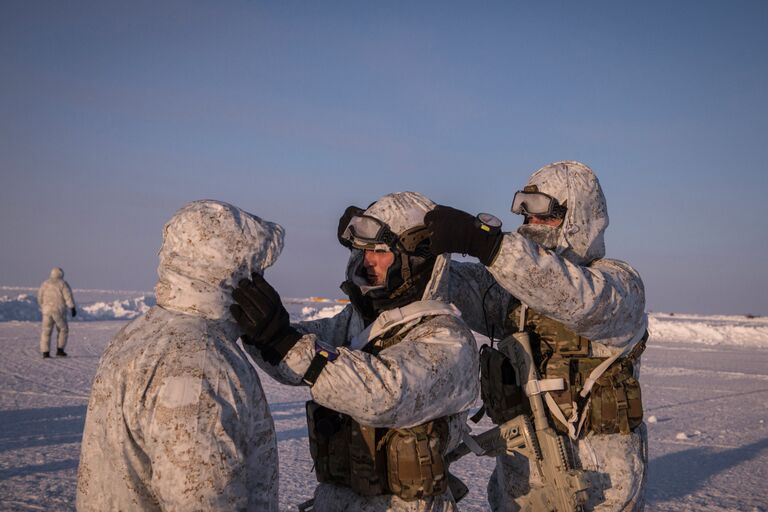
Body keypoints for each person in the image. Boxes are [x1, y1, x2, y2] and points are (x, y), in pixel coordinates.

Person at [230, 191, 479, 511]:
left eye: (379, 251)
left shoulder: (448, 339)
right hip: (338, 500)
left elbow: (384, 394)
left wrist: (287, 343)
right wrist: (261, 331)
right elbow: (299, 359)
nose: (367, 262)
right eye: (362, 251)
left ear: (416, 260)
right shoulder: (362, 322)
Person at [424, 161, 648, 511]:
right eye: (526, 216)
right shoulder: (514, 292)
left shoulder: (618, 284)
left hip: (597, 482)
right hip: (522, 478)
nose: (531, 225)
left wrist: (489, 246)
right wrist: (409, 249)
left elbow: (574, 297)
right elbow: (463, 286)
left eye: (545, 215)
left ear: (579, 218)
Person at [77, 200, 283, 511]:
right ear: (232, 272)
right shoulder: (201, 364)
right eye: (257, 269)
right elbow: (203, 500)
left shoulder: (141, 331)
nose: (262, 280)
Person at [38, 267, 76, 358]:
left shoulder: (45, 283)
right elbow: (68, 296)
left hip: (46, 311)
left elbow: (40, 297)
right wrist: (72, 307)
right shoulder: (62, 283)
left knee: (46, 331)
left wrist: (43, 306)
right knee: (63, 329)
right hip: (58, 310)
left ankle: (45, 352)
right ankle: (60, 349)